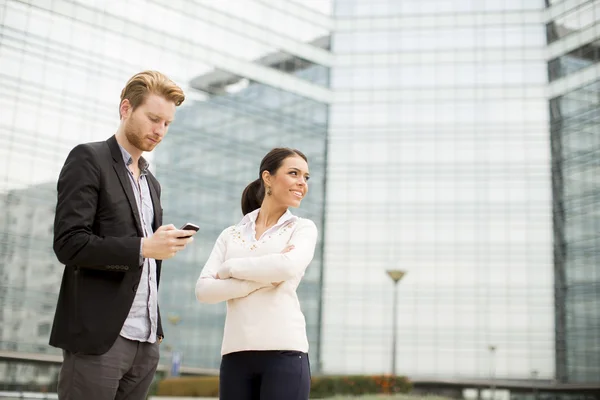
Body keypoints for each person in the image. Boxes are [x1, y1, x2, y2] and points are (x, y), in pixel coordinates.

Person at [50, 70, 197, 400]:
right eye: (153, 118)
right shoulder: (88, 159)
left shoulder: (151, 183)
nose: (160, 131)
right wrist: (145, 246)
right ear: (126, 109)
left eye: (167, 124)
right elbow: (69, 243)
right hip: (100, 339)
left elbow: (145, 266)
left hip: (145, 345)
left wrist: (156, 329)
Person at [195, 148, 318, 400]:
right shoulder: (231, 234)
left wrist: (230, 269)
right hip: (235, 354)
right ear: (268, 177)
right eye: (293, 173)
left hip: (285, 352)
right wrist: (259, 281)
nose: (301, 183)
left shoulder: (303, 228)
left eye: (306, 177)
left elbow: (286, 267)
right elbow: (204, 291)